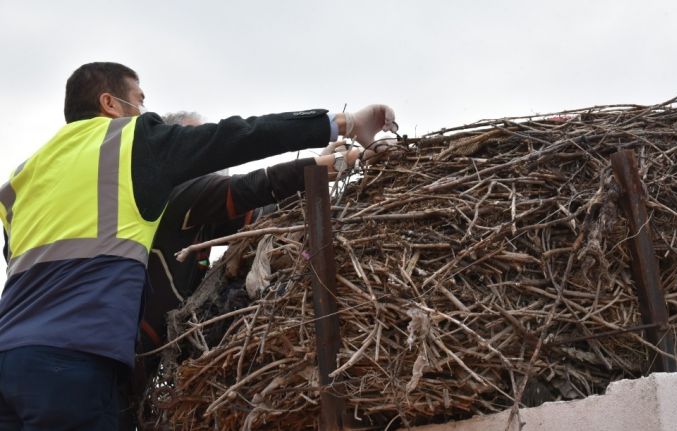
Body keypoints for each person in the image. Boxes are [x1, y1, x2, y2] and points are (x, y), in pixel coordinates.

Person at [0, 61, 396, 430]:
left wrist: (325, 167)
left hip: (8, 358)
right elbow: (234, 140)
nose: (143, 112)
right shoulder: (130, 144)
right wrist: (341, 124)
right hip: (74, 363)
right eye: (138, 100)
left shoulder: (24, 178)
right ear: (109, 103)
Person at [121, 111, 367, 430]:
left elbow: (268, 212)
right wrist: (330, 165)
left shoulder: (202, 215)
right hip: (117, 360)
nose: (208, 157)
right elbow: (253, 186)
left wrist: (322, 171)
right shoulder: (173, 198)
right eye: (197, 146)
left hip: (136, 368)